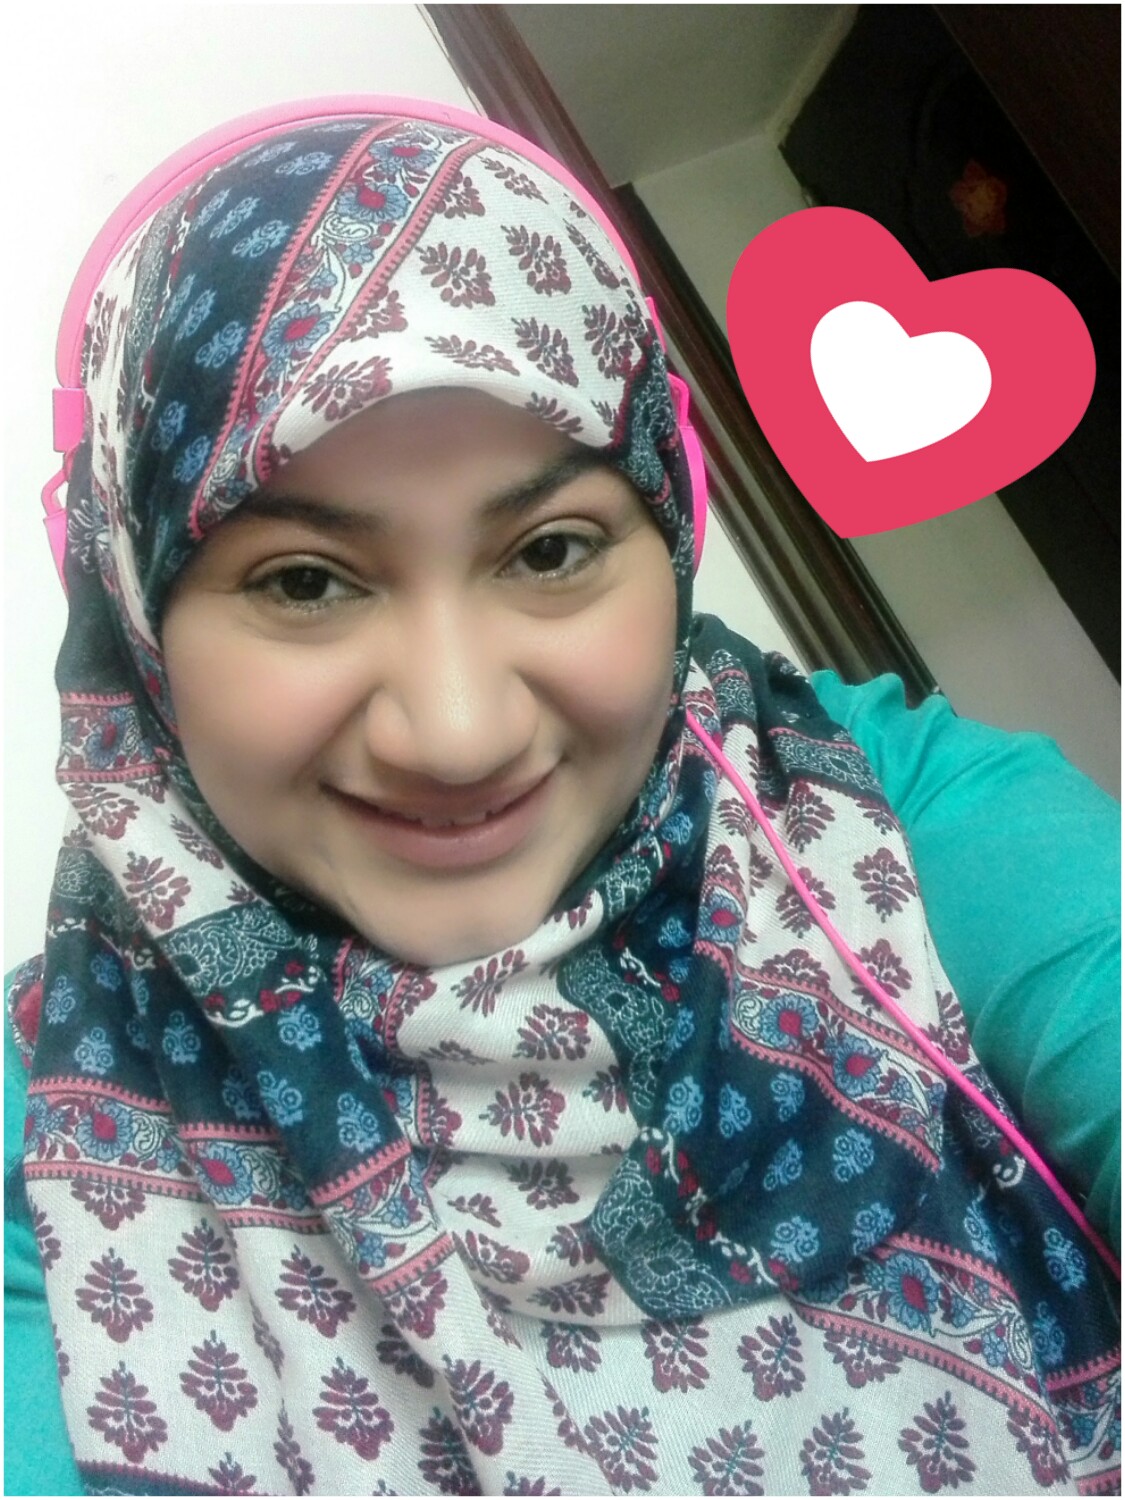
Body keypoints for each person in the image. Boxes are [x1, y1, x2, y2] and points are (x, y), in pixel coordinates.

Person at [5, 100, 1120, 1497]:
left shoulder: (895, 813)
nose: (459, 732)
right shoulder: (49, 1122)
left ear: (673, 523)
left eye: (549, 551)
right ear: (133, 619)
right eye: (303, 580)